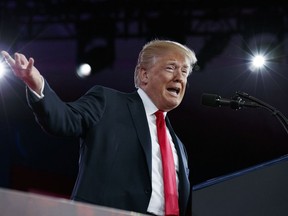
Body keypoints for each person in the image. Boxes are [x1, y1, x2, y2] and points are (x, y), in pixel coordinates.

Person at [1, 39, 197, 216]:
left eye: (185, 72)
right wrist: (37, 85)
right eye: (171, 68)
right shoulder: (108, 103)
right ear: (144, 74)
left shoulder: (178, 146)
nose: (179, 77)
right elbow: (63, 120)